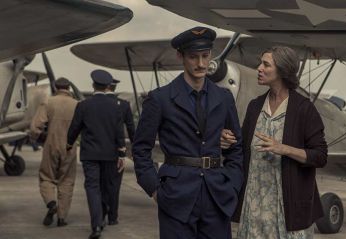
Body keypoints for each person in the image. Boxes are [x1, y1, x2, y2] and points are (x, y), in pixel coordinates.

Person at [132, 26, 244, 239]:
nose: (201, 64)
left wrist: (233, 184)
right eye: (193, 57)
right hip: (175, 196)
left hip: (217, 195)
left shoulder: (224, 97)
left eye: (205, 56)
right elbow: (140, 149)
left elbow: (236, 147)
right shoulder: (159, 99)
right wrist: (155, 190)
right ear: (180, 56)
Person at [221, 46, 327, 238]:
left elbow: (320, 156)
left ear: (283, 70)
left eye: (266, 64)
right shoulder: (254, 107)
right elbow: (241, 151)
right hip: (253, 206)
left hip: (288, 209)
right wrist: (227, 143)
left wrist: (284, 148)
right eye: (260, 63)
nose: (259, 68)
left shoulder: (304, 109)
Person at [66, 70, 126, 239]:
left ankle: (96, 225)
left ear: (93, 85)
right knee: (106, 187)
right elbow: (118, 132)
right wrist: (122, 153)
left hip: (90, 155)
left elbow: (74, 128)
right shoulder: (116, 106)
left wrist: (69, 143)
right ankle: (104, 215)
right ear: (108, 86)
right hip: (110, 154)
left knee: (92, 188)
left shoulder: (83, 105)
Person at [30, 77, 78, 227]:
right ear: (69, 88)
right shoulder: (77, 105)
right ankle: (62, 218)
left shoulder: (48, 102)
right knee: (67, 181)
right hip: (70, 147)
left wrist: (36, 138)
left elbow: (35, 127)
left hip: (51, 144)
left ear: (55, 87)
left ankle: (51, 204)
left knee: (46, 177)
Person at [102, 79, 135, 225]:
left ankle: (101, 213)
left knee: (101, 184)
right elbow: (130, 127)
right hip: (117, 150)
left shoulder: (96, 104)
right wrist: (134, 146)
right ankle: (113, 217)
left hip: (99, 150)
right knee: (114, 185)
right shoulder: (124, 105)